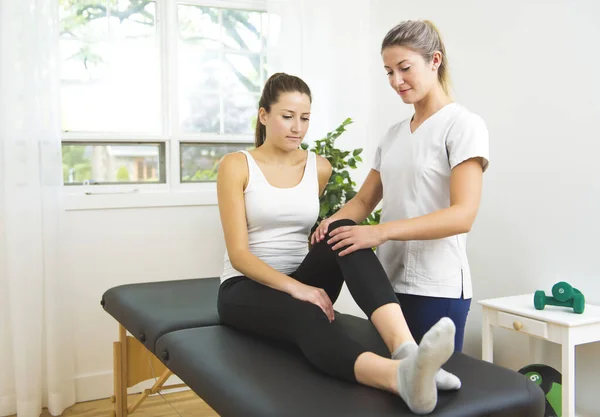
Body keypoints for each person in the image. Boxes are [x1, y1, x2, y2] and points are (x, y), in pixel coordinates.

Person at [216, 72, 461, 415]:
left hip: (301, 279)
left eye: (304, 118)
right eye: (287, 117)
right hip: (245, 289)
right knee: (305, 314)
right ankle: (398, 377)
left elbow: (300, 227)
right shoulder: (236, 166)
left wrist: (324, 236)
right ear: (264, 115)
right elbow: (239, 255)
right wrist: (296, 289)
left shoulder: (319, 167)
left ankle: (405, 349)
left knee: (346, 230)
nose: (297, 127)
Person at [313, 20, 490, 353]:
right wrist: (332, 222)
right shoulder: (394, 134)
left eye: (404, 68)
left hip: (436, 287)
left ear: (434, 60)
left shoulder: (463, 125)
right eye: (389, 72)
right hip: (387, 285)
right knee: (389, 389)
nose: (396, 81)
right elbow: (364, 200)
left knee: (429, 395)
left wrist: (380, 232)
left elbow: (462, 215)